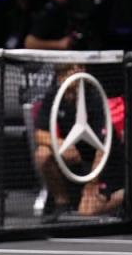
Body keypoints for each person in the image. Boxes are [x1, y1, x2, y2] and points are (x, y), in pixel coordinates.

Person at [33, 63, 123, 223]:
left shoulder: (95, 96)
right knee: (42, 154)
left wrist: (91, 184)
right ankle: (62, 204)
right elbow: (39, 133)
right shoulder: (54, 95)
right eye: (63, 72)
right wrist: (58, 143)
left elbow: (102, 148)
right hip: (74, 162)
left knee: (87, 214)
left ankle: (125, 196)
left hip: (102, 166)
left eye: (74, 69)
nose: (68, 76)